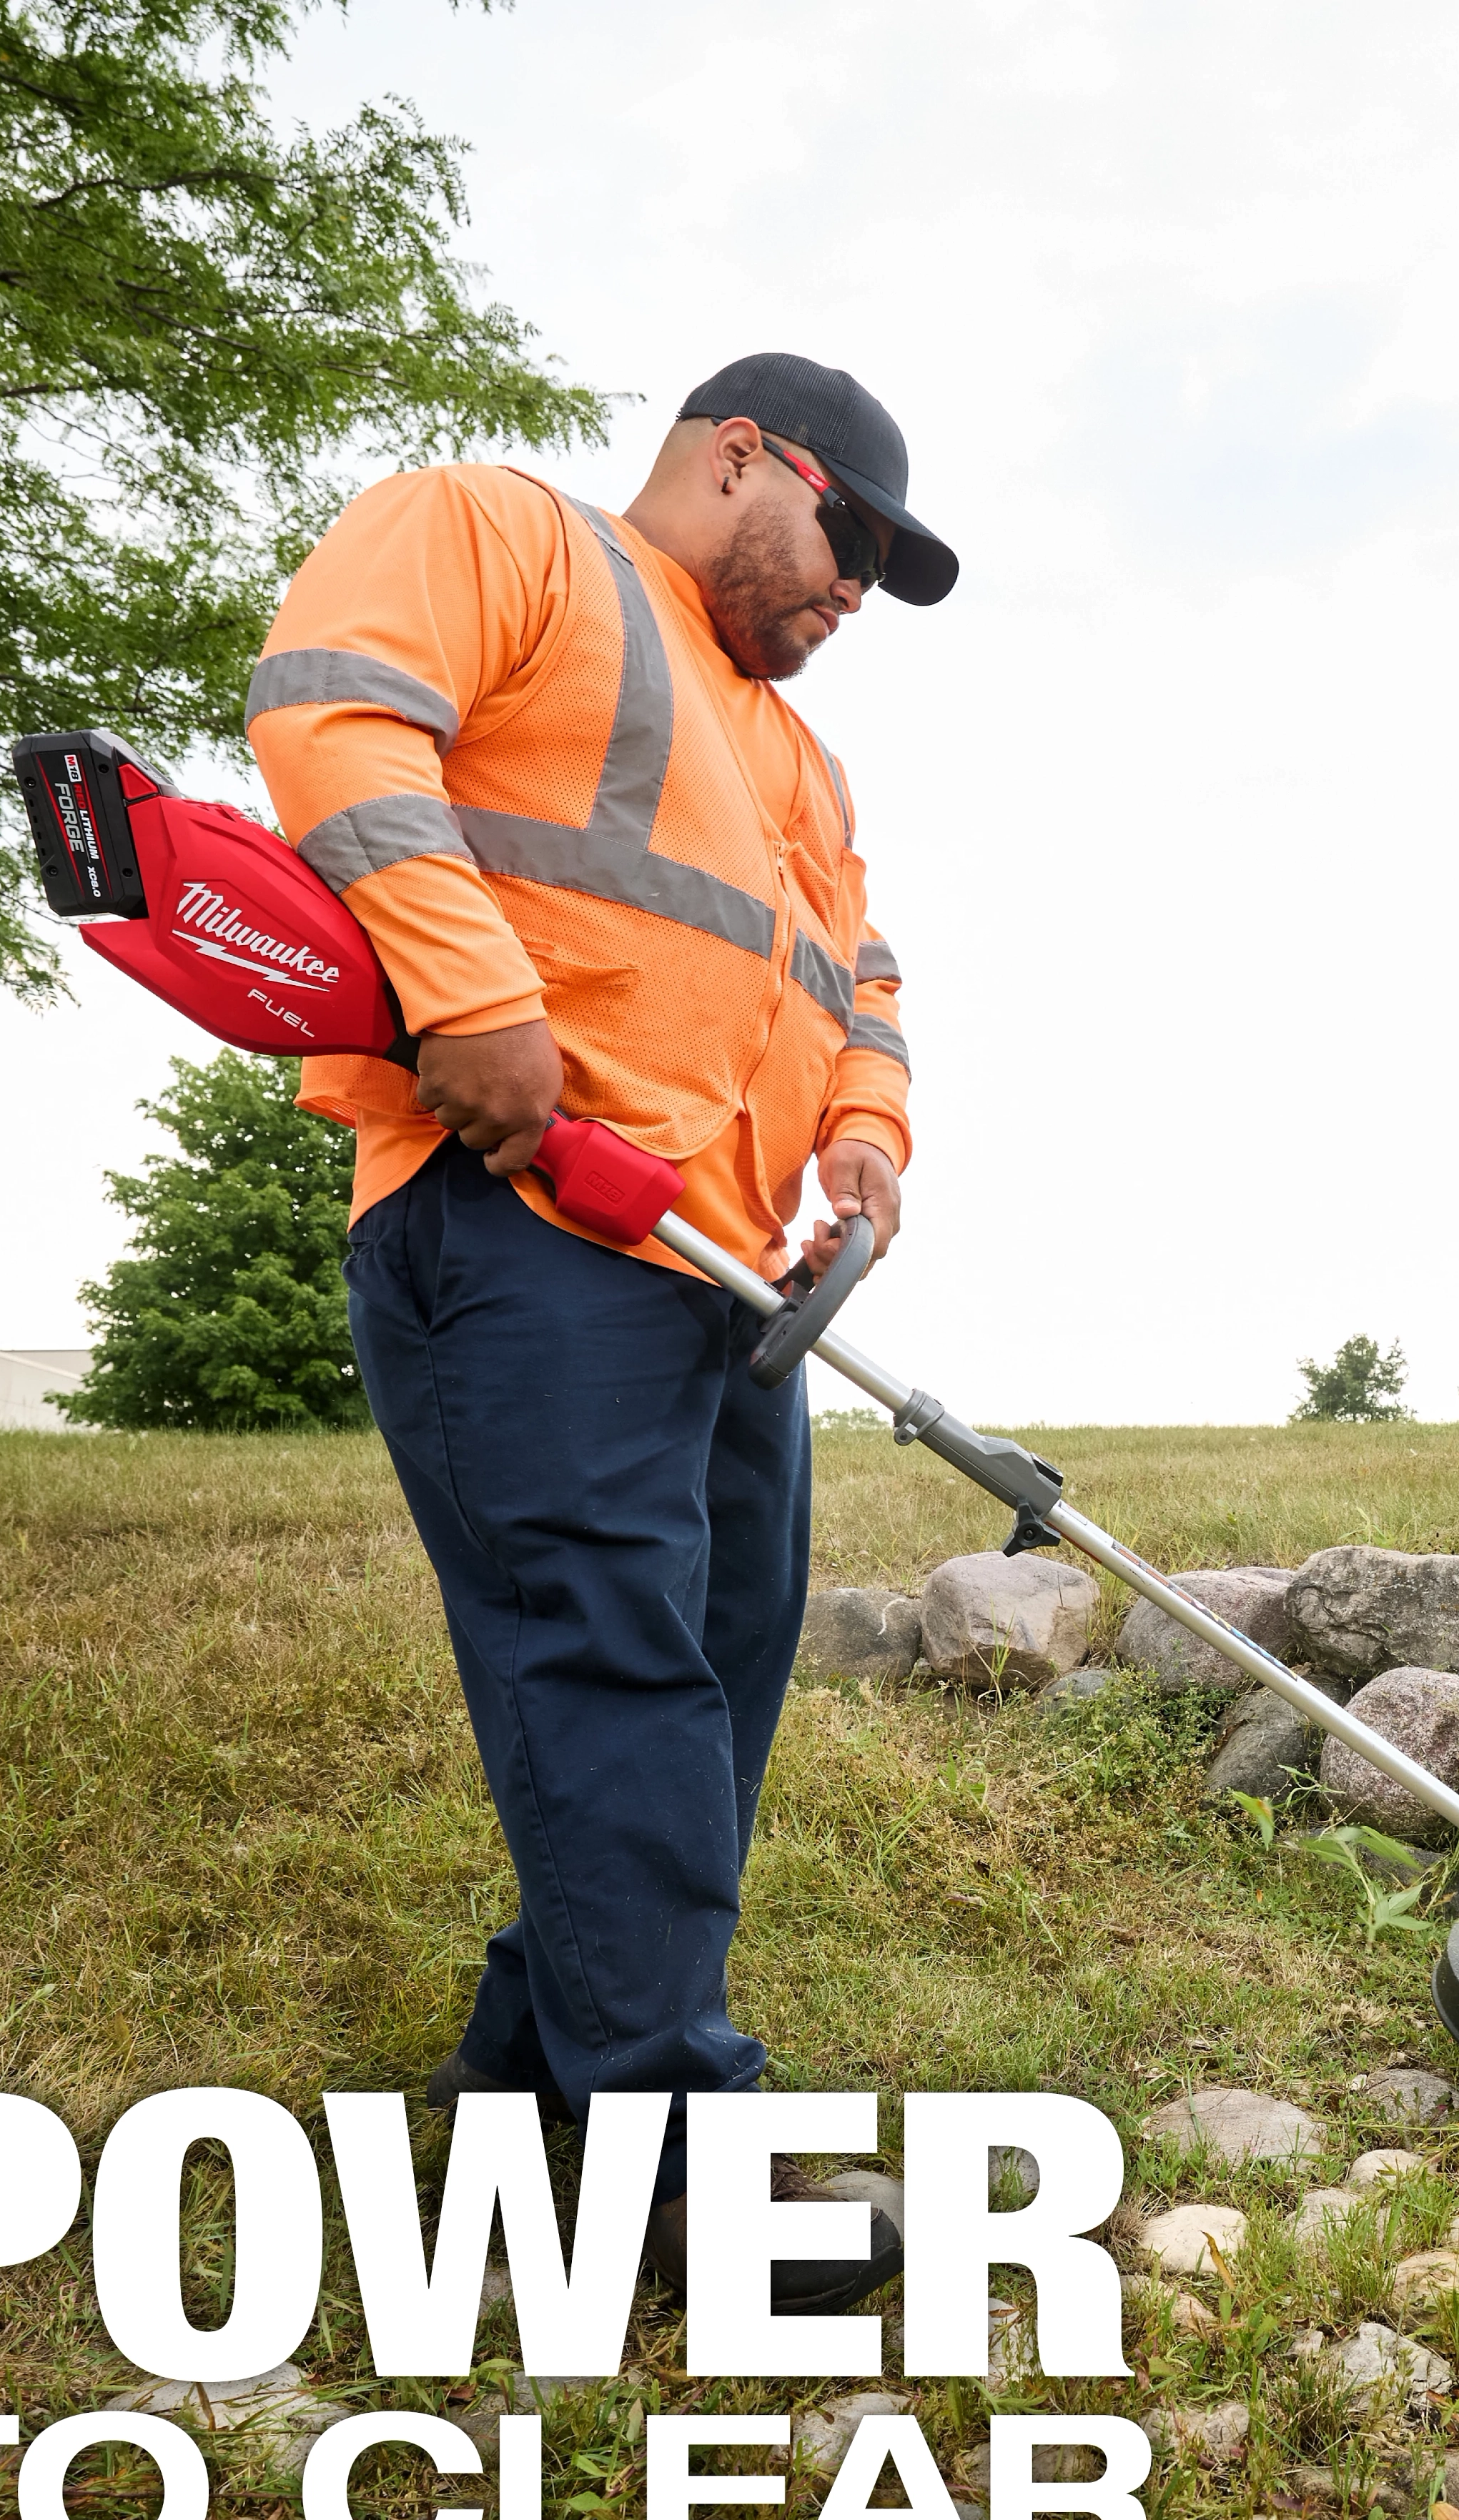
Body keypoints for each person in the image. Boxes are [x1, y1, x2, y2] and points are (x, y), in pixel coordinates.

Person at [245, 354, 956, 2312]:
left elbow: (858, 965)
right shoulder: (500, 535)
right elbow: (333, 709)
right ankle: (677, 2173)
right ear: (745, 455)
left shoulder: (797, 760)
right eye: (849, 547)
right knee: (619, 1681)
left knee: (710, 1688)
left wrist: (869, 1145)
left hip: (728, 1282)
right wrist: (469, 992)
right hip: (522, 1237)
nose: (851, 600)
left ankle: (529, 2071)